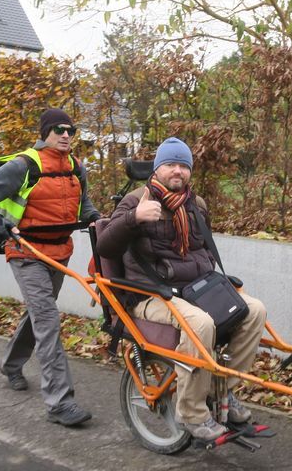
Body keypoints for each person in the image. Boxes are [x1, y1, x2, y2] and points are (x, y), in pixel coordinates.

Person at [96, 137, 267, 441]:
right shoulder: (136, 201)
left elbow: (206, 252)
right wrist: (134, 220)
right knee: (200, 323)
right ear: (158, 168)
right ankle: (192, 413)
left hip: (193, 290)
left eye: (183, 166)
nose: (177, 171)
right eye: (170, 164)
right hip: (149, 294)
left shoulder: (195, 205)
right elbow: (106, 247)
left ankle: (221, 391)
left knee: (254, 311)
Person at [0, 108, 101, 427]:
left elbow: (86, 205)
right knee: (48, 319)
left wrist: (96, 219)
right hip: (25, 252)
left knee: (40, 313)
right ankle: (59, 403)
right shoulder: (24, 165)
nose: (66, 134)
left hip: (59, 252)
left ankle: (11, 365)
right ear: (45, 133)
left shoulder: (77, 168)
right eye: (58, 129)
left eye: (71, 129)